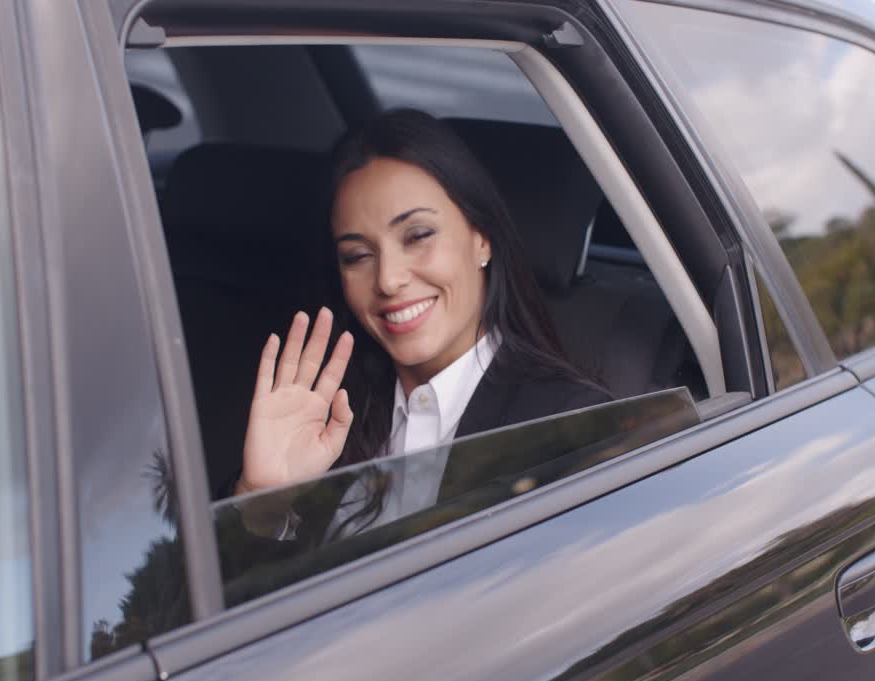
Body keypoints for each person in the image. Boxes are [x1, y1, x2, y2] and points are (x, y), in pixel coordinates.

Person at [232, 109, 610, 539]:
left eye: (418, 236)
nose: (389, 280)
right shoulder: (323, 413)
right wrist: (262, 504)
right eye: (357, 256)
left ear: (481, 238)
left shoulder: (568, 427)